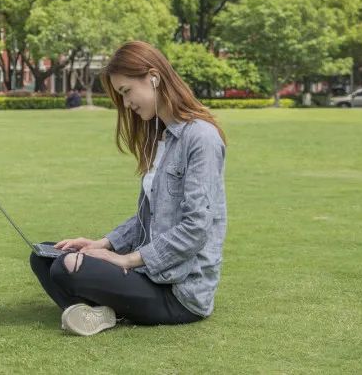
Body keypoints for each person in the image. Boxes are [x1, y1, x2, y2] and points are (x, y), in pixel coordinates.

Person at [29, 41, 227, 336]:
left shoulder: (201, 138)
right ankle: (105, 313)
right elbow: (149, 216)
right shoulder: (158, 137)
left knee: (66, 266)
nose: (126, 104)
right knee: (46, 257)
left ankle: (103, 311)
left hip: (179, 292)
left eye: (126, 91)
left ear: (153, 77)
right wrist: (103, 244)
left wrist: (126, 260)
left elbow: (195, 228)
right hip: (148, 274)